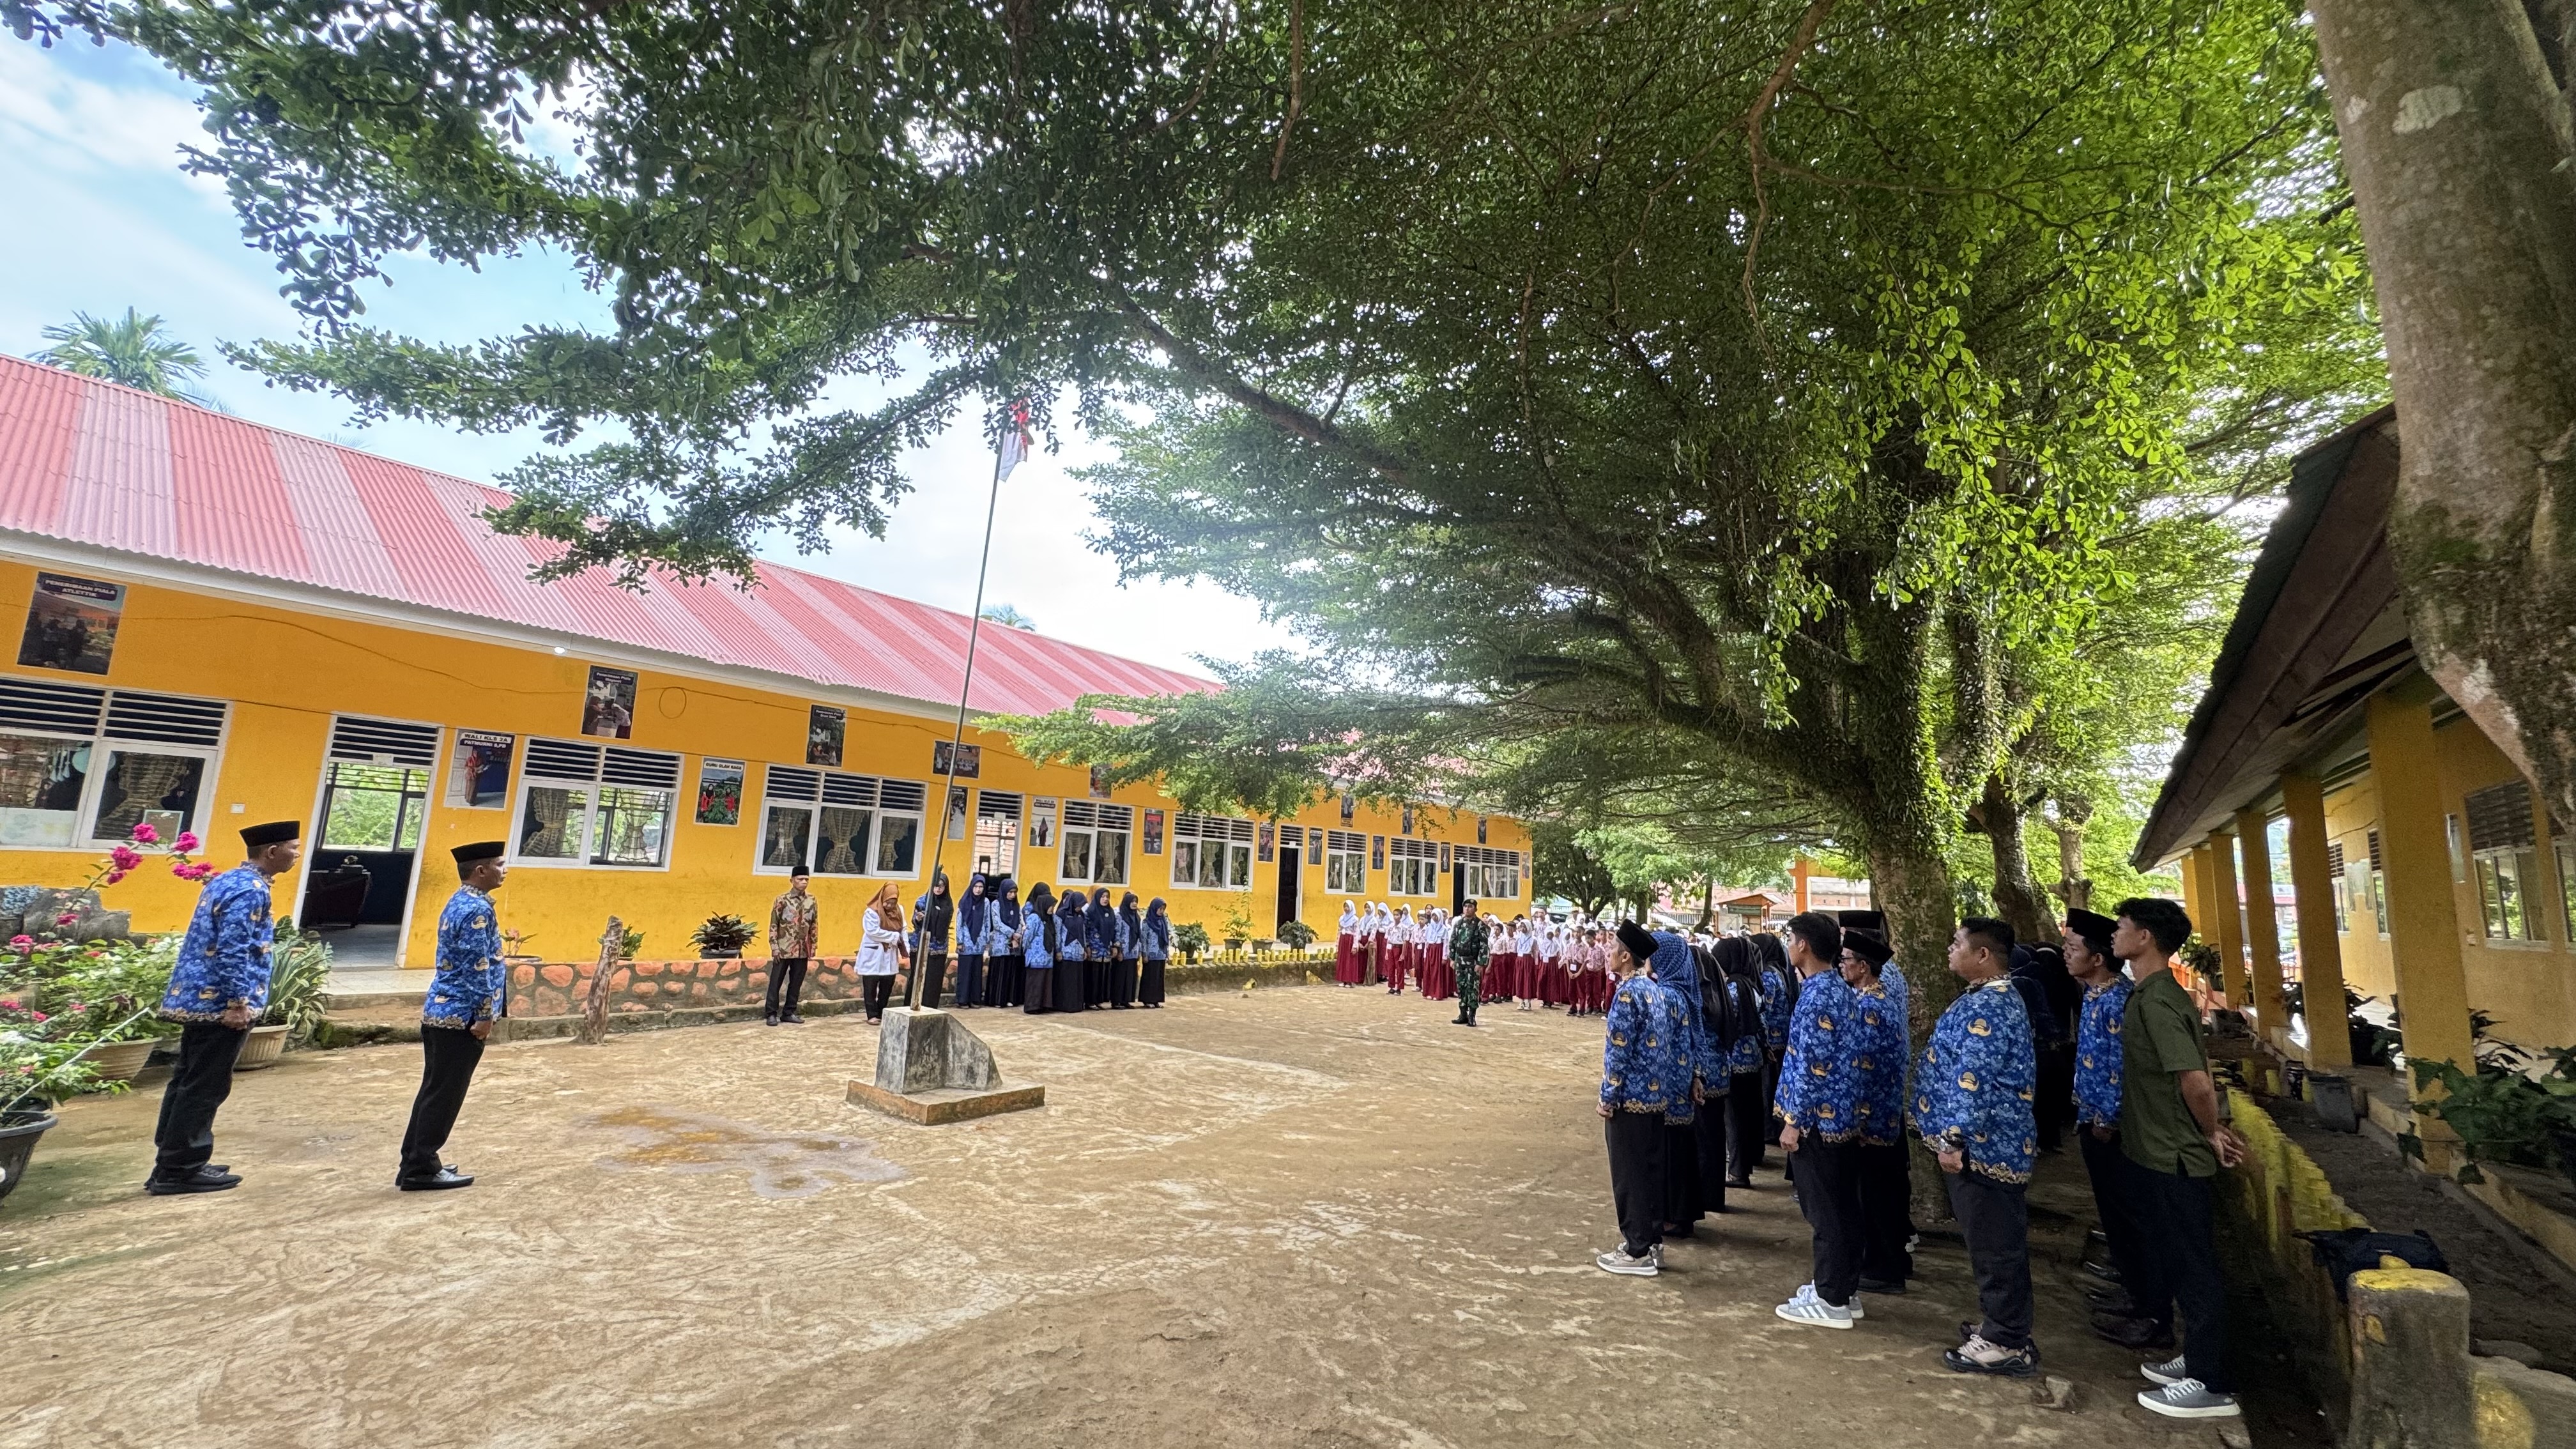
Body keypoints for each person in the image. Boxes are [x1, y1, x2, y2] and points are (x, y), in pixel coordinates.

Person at [2110, 897, 2249, 1420]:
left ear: (2145, 938)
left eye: (2122, 928)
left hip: (2175, 1156)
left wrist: (2212, 1133)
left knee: (2194, 1268)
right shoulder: (2153, 993)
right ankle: (2197, 1357)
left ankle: (2212, 1383)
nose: (2115, 935)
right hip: (2157, 1151)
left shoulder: (2158, 1001)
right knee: (2177, 1259)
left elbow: (2194, 1079)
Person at [146, 820, 300, 1196]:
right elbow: (234, 950)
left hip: (198, 998)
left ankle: (174, 1157)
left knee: (187, 1078)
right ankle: (179, 1168)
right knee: (205, 1084)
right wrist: (237, 1002)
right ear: (271, 852)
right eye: (293, 848)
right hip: (217, 1003)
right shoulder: (249, 890)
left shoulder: (228, 880)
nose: (297, 854)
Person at [1917, 917, 2042, 1377]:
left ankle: (2008, 1340)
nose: (1951, 949)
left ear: (1983, 955)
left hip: (1988, 1149)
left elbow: (1974, 1081)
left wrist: (1954, 1137)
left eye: (1957, 943)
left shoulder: (1991, 1006)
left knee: (1996, 1246)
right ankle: (1999, 1325)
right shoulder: (1986, 999)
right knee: (1989, 1241)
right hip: (1986, 1146)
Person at [1772, 912, 1871, 1328]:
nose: (1788, 944)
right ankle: (1840, 1289)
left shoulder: (1819, 995)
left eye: (1791, 937)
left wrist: (1795, 1120)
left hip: (1820, 1121)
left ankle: (1831, 1298)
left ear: (1803, 945)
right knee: (1842, 1205)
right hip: (1840, 1119)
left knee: (1825, 1209)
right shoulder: (1837, 988)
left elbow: (1814, 1065)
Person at [398, 841, 510, 1190]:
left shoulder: (458, 901)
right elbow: (478, 967)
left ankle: (417, 1161)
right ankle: (421, 1169)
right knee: (444, 1095)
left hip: (442, 1011)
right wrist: (485, 1014)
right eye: (499, 864)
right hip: (461, 1016)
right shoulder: (476, 910)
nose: (504, 870)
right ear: (481, 871)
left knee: (434, 1090)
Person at [2060, 908, 2147, 1342]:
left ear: (2097, 959)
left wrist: (2107, 1120)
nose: (2065, 955)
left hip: (2108, 1128)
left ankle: (2147, 1308)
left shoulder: (2118, 1000)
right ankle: (2132, 1291)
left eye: (2073, 948)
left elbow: (2120, 1067)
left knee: (2129, 1216)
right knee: (2114, 1217)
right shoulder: (2095, 995)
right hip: (2091, 1119)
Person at [1597, 921, 1687, 1276]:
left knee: (1629, 1175)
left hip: (1630, 1099)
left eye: (1611, 949)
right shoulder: (1656, 990)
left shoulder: (1627, 994)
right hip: (1655, 1097)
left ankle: (1637, 1250)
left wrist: (1608, 1095)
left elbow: (1619, 1052)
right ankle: (1651, 1244)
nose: (1607, 954)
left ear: (1625, 956)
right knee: (1650, 1171)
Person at [1839, 930, 1913, 1292]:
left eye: (1847, 960)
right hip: (1885, 1116)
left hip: (1874, 1119)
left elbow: (1864, 1069)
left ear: (1864, 967)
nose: (1842, 966)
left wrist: (1860, 1118)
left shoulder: (1870, 1007)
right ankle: (1892, 1260)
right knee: (1885, 1192)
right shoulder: (1879, 1000)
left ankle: (1883, 1268)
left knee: (1877, 1197)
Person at [1652, 933, 1726, 1236]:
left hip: (1669, 1089)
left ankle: (1673, 1216)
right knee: (1683, 1149)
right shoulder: (1686, 992)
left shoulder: (1667, 995)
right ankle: (1682, 1214)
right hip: (1685, 1085)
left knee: (1671, 1153)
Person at [1712, 937, 1769, 1186]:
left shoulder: (1732, 988)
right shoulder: (1752, 985)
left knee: (1733, 1119)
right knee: (1749, 1113)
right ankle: (1747, 1161)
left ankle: (1737, 1171)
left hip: (1734, 1061)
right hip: (1752, 1058)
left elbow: (1725, 1021)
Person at [765, 864, 818, 1026]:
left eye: (806, 879)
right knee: (776, 982)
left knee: (796, 982)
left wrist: (814, 944)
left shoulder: (812, 901)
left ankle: (789, 1012)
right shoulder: (782, 900)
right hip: (783, 948)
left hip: (802, 949)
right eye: (800, 879)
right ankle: (771, 1013)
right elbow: (774, 924)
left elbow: (814, 924)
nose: (804, 882)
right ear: (792, 880)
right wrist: (774, 947)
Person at [857, 883, 907, 1022]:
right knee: (871, 985)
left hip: (890, 953)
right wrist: (894, 937)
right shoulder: (872, 912)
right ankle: (872, 1015)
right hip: (873, 953)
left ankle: (881, 1012)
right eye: (887, 903)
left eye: (893, 903)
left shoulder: (899, 911)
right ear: (882, 898)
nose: (890, 906)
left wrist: (905, 950)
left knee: (887, 984)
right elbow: (873, 932)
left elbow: (903, 929)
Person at [908, 872, 954, 1008]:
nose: (938, 888)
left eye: (941, 886)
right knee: (917, 979)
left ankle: (930, 1007)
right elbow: (915, 920)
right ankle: (911, 1006)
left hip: (938, 948)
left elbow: (945, 924)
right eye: (935, 885)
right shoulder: (923, 901)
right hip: (921, 946)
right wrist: (919, 919)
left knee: (933, 980)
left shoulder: (948, 903)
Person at [952, 872, 991, 1010]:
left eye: (981, 887)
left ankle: (975, 1000)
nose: (978, 889)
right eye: (976, 886)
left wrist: (986, 940)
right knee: (965, 973)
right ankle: (962, 1000)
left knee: (976, 973)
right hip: (967, 943)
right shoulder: (964, 901)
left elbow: (987, 922)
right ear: (972, 887)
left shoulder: (986, 902)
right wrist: (960, 942)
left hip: (979, 943)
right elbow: (959, 923)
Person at [1020, 884, 1059, 1013]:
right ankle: (1033, 1006)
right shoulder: (1034, 917)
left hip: (1047, 958)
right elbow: (1027, 936)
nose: (1052, 909)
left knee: (1045, 983)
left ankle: (1043, 1005)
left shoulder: (1049, 919)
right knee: (1035, 983)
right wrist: (1025, 951)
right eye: (1051, 906)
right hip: (1036, 957)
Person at [1448, 905, 1489, 1027]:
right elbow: (1453, 941)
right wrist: (1452, 958)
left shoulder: (1480, 925)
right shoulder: (1459, 923)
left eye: (1470, 907)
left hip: (1473, 962)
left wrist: (1481, 963)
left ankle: (1472, 1016)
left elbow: (1484, 945)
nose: (1467, 909)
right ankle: (1463, 1014)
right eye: (1465, 906)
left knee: (1473, 988)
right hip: (1460, 960)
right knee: (1461, 987)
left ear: (1475, 909)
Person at [988, 877, 1024, 1007]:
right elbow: (997, 923)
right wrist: (1012, 933)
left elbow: (1020, 921)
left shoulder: (1017, 905)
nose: (1012, 895)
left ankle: (1009, 998)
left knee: (1010, 973)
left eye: (1015, 892)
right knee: (1000, 972)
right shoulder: (996, 904)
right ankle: (997, 1000)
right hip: (1000, 944)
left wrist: (1018, 933)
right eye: (1010, 892)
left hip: (1013, 945)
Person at [1053, 888, 1088, 1011]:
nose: (1080, 907)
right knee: (1066, 980)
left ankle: (1076, 1005)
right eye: (1079, 905)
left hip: (1078, 953)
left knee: (1076, 981)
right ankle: (1064, 1005)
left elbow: (1083, 933)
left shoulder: (1081, 915)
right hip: (1066, 952)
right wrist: (1058, 950)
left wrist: (1084, 948)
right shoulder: (1061, 914)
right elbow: (1057, 933)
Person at [1085, 887, 1117, 1008]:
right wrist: (1087, 946)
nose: (1105, 899)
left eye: (1107, 897)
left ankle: (1099, 1000)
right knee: (1093, 975)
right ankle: (1090, 1001)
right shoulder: (1091, 912)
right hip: (1094, 949)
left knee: (1103, 976)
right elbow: (1086, 930)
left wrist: (1115, 945)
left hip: (1106, 949)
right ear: (1098, 897)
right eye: (1103, 897)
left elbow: (1114, 930)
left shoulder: (1110, 912)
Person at [1112, 891, 1144, 1008]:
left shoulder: (1136, 917)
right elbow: (1117, 934)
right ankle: (1117, 1001)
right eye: (1132, 901)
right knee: (1120, 977)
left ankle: (1126, 1000)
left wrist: (1139, 951)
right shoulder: (1120, 917)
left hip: (1133, 952)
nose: (1134, 904)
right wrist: (1118, 950)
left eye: (1136, 901)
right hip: (1123, 952)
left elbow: (1139, 935)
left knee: (1131, 977)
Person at [1138, 898, 1171, 1006]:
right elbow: (1144, 940)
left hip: (1160, 954)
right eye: (1160, 909)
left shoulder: (1162, 922)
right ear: (1154, 908)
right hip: (1151, 955)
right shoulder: (1147, 923)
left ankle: (1156, 1000)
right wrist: (1144, 954)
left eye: (1163, 909)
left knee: (1158, 979)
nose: (1161, 911)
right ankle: (1147, 1000)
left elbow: (1165, 938)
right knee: (1150, 978)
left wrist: (1166, 953)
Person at [1335, 901, 1361, 986]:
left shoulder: (1355, 919)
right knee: (1343, 959)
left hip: (1350, 940)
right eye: (1345, 906)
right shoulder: (1342, 918)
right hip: (1343, 940)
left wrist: (1355, 945)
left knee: (1350, 960)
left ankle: (1350, 981)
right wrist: (1337, 944)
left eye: (1347, 906)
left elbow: (1357, 932)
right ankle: (1343, 980)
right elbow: (1339, 931)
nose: (1346, 908)